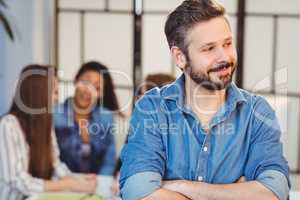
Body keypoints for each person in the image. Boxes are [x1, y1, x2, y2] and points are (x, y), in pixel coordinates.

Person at [120, 1, 290, 200]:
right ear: (180, 57)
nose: (224, 57)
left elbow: (274, 191)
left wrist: (181, 187)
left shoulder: (257, 111)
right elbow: (138, 191)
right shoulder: (152, 108)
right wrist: (235, 193)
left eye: (227, 43)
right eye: (209, 49)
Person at [0, 64, 97, 200]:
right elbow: (18, 180)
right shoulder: (9, 125)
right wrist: (67, 184)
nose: (57, 98)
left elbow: (55, 164)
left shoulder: (45, 123)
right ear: (38, 93)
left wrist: (78, 180)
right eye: (55, 92)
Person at [111, 73, 175, 198]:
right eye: (139, 93)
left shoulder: (173, 132)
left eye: (145, 94)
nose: (140, 99)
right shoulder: (138, 127)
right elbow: (121, 169)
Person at [54, 61, 118, 175]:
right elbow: (51, 160)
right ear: (75, 81)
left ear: (101, 94)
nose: (89, 90)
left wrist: (101, 183)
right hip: (62, 183)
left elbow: (109, 161)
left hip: (96, 185)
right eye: (85, 82)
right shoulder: (54, 115)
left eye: (97, 88)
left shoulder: (106, 117)